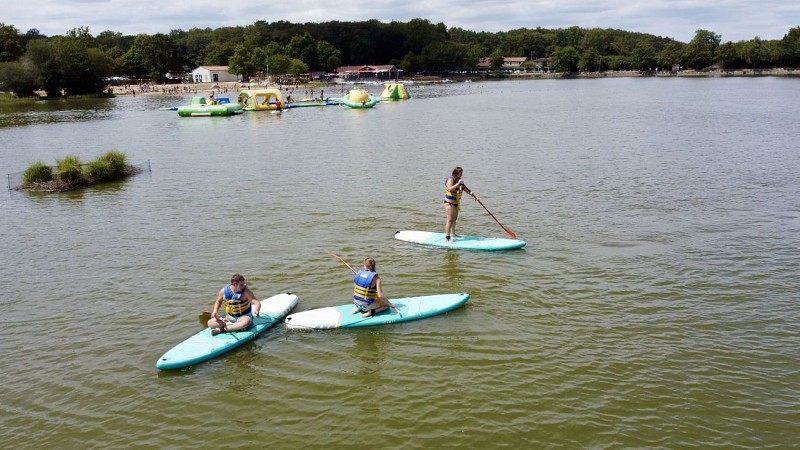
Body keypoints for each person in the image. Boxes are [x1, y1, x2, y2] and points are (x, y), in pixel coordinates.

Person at [444, 166, 478, 242]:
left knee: (454, 219)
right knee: (449, 220)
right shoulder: (451, 179)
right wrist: (458, 184)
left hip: (456, 203)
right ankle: (447, 238)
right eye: (460, 173)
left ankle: (453, 234)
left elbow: (466, 189)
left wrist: (474, 196)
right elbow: (450, 188)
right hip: (449, 203)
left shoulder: (459, 180)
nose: (461, 175)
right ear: (456, 173)